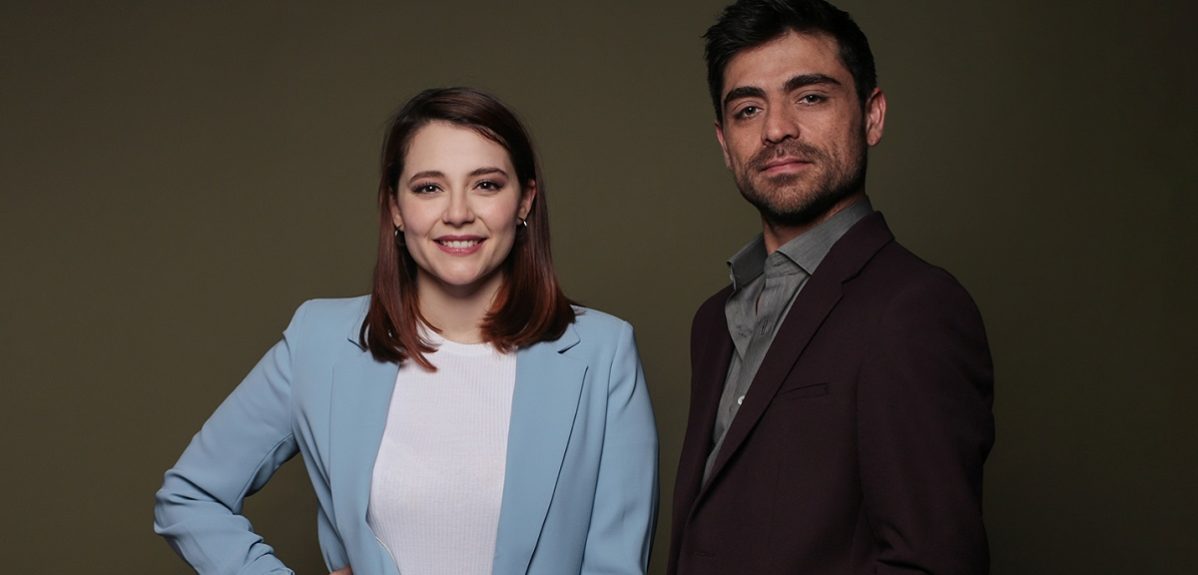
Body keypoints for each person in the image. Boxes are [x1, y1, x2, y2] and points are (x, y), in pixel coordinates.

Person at [154, 87, 658, 575]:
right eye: (429, 188)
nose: (458, 213)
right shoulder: (319, 341)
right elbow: (190, 495)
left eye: (486, 185)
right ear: (395, 207)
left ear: (524, 201)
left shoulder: (603, 353)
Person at [668, 1, 995, 574]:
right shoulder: (713, 322)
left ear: (872, 115)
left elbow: (932, 561)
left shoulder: (915, 308)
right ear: (724, 143)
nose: (776, 129)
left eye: (811, 97)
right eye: (748, 109)